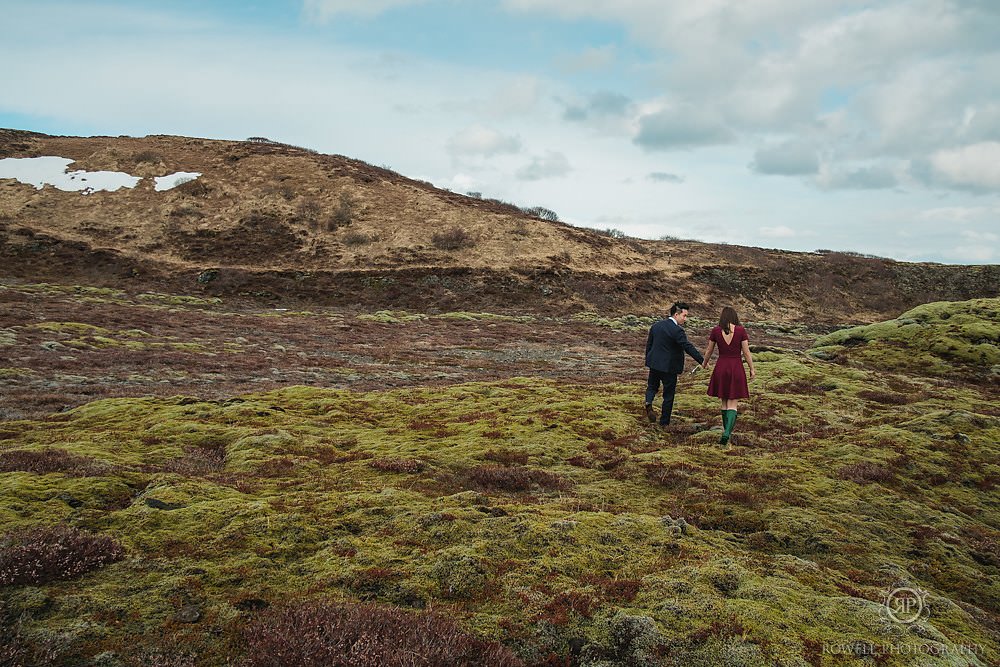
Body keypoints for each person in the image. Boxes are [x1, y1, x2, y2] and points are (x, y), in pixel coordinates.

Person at [644, 302, 705, 428]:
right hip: (669, 367)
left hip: (654, 364)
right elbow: (687, 347)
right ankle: (664, 423)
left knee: (651, 386)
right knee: (668, 395)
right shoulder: (677, 331)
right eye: (684, 316)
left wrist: (649, 360)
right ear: (676, 314)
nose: (685, 319)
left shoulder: (656, 326)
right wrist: (702, 361)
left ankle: (648, 401)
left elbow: (649, 345)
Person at [702, 306, 755, 446]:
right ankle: (727, 433)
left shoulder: (716, 331)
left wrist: (704, 363)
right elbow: (746, 352)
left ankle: (726, 433)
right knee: (733, 403)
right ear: (734, 317)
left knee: (724, 401)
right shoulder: (740, 330)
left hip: (721, 367)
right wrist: (752, 368)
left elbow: (709, 350)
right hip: (736, 367)